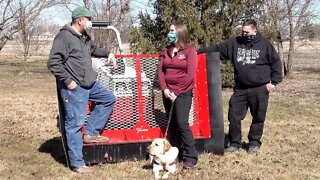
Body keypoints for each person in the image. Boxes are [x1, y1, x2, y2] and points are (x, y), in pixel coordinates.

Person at [47, 6, 116, 173]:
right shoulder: (64, 37)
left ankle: (91, 132)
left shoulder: (84, 36)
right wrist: (68, 81)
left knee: (108, 99)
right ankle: (77, 164)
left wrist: (108, 53)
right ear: (79, 20)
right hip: (74, 88)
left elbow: (93, 49)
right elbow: (53, 62)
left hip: (89, 83)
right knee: (74, 124)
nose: (90, 21)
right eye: (88, 18)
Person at [198, 19, 283, 154]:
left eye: (247, 32)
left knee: (258, 116)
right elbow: (217, 49)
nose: (244, 34)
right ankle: (235, 143)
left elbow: (276, 63)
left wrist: (274, 82)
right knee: (233, 116)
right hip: (240, 88)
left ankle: (254, 143)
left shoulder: (265, 44)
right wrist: (196, 52)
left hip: (260, 87)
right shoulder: (235, 43)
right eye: (243, 31)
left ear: (255, 31)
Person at [157, 22, 198, 169]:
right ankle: (175, 155)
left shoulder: (190, 51)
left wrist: (177, 91)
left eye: (172, 31)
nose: (170, 33)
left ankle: (191, 156)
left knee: (182, 123)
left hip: (183, 93)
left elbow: (190, 75)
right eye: (169, 31)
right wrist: (165, 89)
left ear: (180, 32)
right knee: (172, 124)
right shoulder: (166, 50)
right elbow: (161, 72)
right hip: (168, 93)